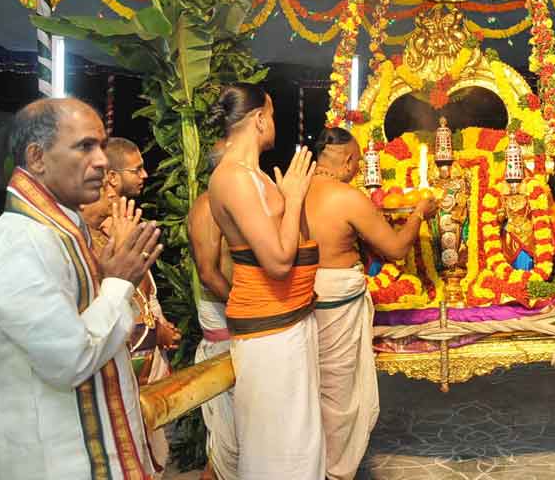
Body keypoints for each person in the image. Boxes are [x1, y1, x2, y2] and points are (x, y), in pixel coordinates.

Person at [0, 97, 163, 478]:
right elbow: (69, 359)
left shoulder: (55, 230)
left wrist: (103, 279)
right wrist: (119, 285)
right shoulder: (22, 243)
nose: (103, 161)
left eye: (102, 146)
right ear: (37, 158)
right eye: (86, 146)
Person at [304, 128, 437, 480]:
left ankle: (314, 463)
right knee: (339, 394)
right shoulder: (347, 197)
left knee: (313, 387)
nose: (361, 167)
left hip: (303, 297)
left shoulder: (294, 188)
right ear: (347, 160)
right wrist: (419, 213)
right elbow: (394, 249)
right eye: (359, 160)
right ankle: (334, 471)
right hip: (337, 302)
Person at [207, 84, 324, 479]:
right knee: (277, 450)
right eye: (271, 116)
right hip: (270, 331)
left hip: (289, 321)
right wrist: (291, 199)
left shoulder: (255, 176)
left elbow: (293, 240)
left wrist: (293, 200)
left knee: (299, 442)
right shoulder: (235, 179)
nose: (274, 123)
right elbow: (276, 261)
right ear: (259, 119)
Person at [95, 136, 177, 474]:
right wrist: (152, 333)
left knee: (150, 451)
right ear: (110, 180)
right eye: (137, 168)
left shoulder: (125, 224)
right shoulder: (97, 235)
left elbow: (144, 296)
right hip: (126, 360)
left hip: (147, 352)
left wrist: (161, 324)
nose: (145, 174)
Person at [186, 140, 238, 480]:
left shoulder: (228, 202)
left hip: (236, 320)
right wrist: (245, 308)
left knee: (239, 442)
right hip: (225, 322)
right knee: (227, 449)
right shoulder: (207, 206)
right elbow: (208, 272)